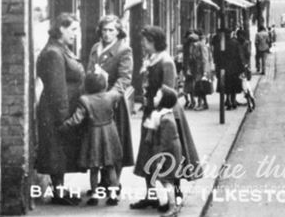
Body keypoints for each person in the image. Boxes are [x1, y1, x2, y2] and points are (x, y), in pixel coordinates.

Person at [131, 26, 201, 210]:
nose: (143, 44)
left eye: (145, 41)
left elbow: (168, 91)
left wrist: (156, 114)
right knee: (148, 153)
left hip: (163, 113)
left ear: (154, 42)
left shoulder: (166, 61)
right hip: (150, 110)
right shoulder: (151, 59)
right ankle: (151, 195)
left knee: (168, 156)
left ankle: (175, 196)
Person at [36, 13, 85, 205]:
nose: (75, 33)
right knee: (56, 150)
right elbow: (58, 90)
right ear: (61, 29)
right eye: (72, 29)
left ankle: (60, 190)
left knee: (61, 151)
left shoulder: (60, 49)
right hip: (56, 111)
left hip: (62, 109)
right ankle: (58, 192)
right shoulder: (53, 53)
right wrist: (64, 119)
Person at [60, 72, 125, 206]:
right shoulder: (110, 96)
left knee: (94, 167)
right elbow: (119, 92)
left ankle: (95, 195)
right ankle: (113, 195)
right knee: (111, 166)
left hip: (93, 135)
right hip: (109, 133)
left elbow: (77, 119)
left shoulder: (84, 100)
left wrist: (64, 126)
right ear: (104, 85)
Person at [86, 15, 134, 192]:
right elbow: (89, 71)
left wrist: (109, 97)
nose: (107, 34)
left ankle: (114, 182)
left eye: (111, 30)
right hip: (94, 102)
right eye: (104, 30)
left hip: (112, 104)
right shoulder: (95, 48)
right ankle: (101, 182)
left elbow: (124, 78)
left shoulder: (124, 50)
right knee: (97, 144)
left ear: (118, 32)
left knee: (115, 143)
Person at [143, 85, 182, 217]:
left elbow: (166, 143)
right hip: (164, 153)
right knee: (165, 181)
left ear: (163, 101)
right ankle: (169, 204)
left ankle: (173, 207)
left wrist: (160, 159)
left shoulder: (166, 120)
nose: (154, 97)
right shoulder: (160, 115)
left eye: (157, 96)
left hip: (168, 155)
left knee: (167, 181)